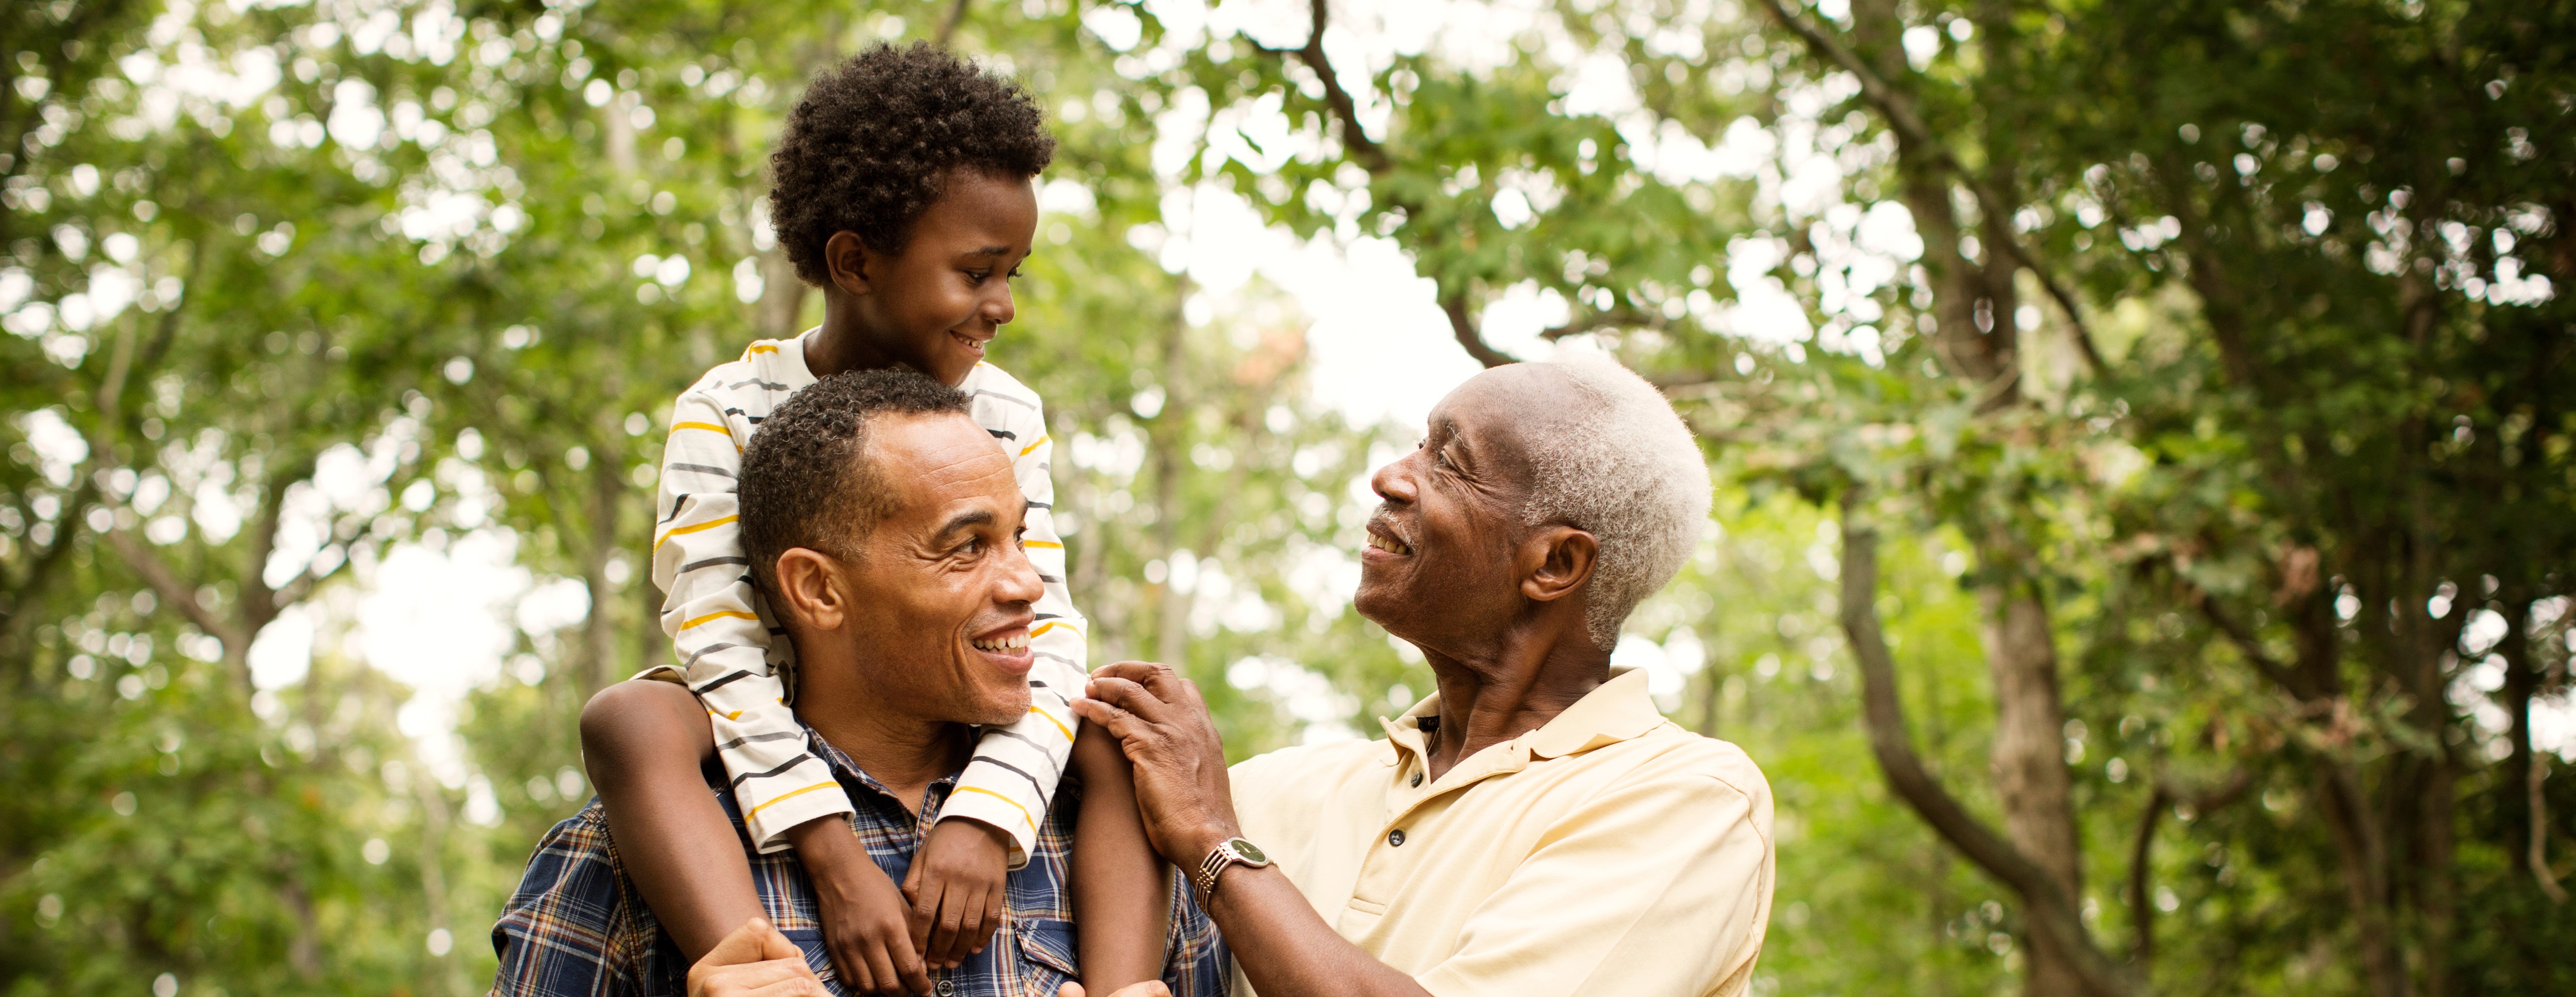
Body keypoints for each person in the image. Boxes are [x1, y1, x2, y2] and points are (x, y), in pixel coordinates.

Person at [572, 43, 1166, 997]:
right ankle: (761, 967)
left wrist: (986, 815)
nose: (1003, 305)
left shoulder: (1004, 410)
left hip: (963, 718)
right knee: (636, 717)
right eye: (977, 272)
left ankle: (1124, 986)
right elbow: (719, 645)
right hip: (777, 727)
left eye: (1014, 271)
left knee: (1114, 721)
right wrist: (831, 851)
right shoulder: (726, 407)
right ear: (854, 261)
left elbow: (1041, 622)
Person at [492, 370, 1228, 997]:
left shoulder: (1114, 839)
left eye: (1021, 538)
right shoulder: (640, 846)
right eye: (968, 546)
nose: (1030, 583)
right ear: (818, 589)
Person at [1074, 356, 1777, 997]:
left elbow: (1202, 826)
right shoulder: (1280, 787)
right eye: (1420, 442)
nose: (1390, 476)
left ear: (1554, 565)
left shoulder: (1688, 799)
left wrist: (1213, 842)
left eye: (1450, 461)